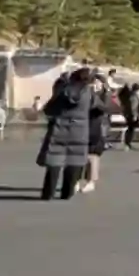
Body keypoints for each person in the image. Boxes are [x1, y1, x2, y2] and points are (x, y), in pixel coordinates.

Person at [39, 67, 94, 200]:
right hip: (80, 131)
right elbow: (99, 107)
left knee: (54, 160)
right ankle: (67, 192)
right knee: (74, 159)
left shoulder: (63, 91)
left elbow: (49, 109)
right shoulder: (89, 93)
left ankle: (48, 193)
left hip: (59, 128)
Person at [81, 72, 111, 193]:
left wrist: (94, 96)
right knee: (84, 154)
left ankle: (91, 181)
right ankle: (83, 180)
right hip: (87, 126)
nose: (95, 85)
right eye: (93, 82)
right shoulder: (88, 94)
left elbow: (105, 108)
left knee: (93, 155)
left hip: (99, 128)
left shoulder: (105, 95)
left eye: (98, 82)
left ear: (103, 84)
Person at [117, 80, 139, 149]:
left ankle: (128, 143)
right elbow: (133, 107)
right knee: (131, 129)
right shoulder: (134, 97)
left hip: (129, 114)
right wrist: (135, 115)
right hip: (132, 115)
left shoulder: (132, 95)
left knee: (130, 128)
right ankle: (127, 142)